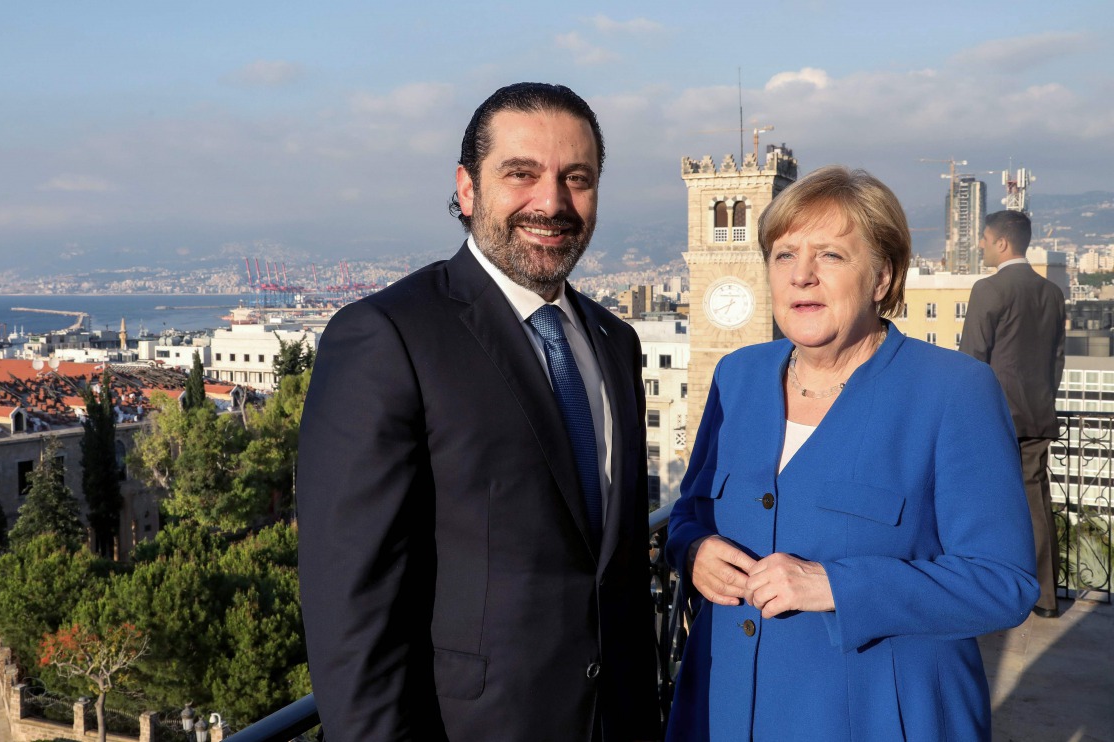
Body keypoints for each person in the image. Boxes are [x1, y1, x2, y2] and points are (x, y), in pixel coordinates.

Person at [297, 82, 659, 742]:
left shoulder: (616, 343)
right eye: (521, 174)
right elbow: (352, 607)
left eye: (576, 178)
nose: (552, 202)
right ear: (466, 189)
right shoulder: (389, 337)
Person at [665, 166, 1038, 741]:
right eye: (784, 255)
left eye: (831, 256)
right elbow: (688, 514)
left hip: (877, 717)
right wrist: (692, 550)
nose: (802, 275)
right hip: (724, 711)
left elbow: (1003, 583)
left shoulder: (953, 391)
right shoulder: (737, 377)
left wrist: (836, 586)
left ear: (882, 277)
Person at [959, 209, 1066, 618]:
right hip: (1038, 414)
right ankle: (1046, 598)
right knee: (1035, 502)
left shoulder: (989, 289)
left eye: (985, 239)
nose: (981, 245)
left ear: (1002, 243)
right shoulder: (1052, 292)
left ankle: (990, 593)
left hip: (994, 418)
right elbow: (1057, 359)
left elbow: (972, 360)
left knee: (982, 505)